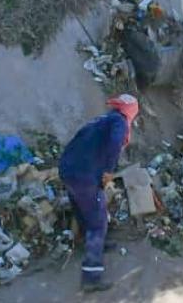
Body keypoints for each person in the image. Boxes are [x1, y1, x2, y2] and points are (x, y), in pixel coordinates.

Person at [58, 94, 140, 292]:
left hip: (68, 170)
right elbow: (114, 143)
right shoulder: (120, 123)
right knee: (98, 221)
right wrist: (109, 170)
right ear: (132, 111)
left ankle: (90, 242)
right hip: (84, 176)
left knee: (81, 208)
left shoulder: (102, 120)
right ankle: (91, 277)